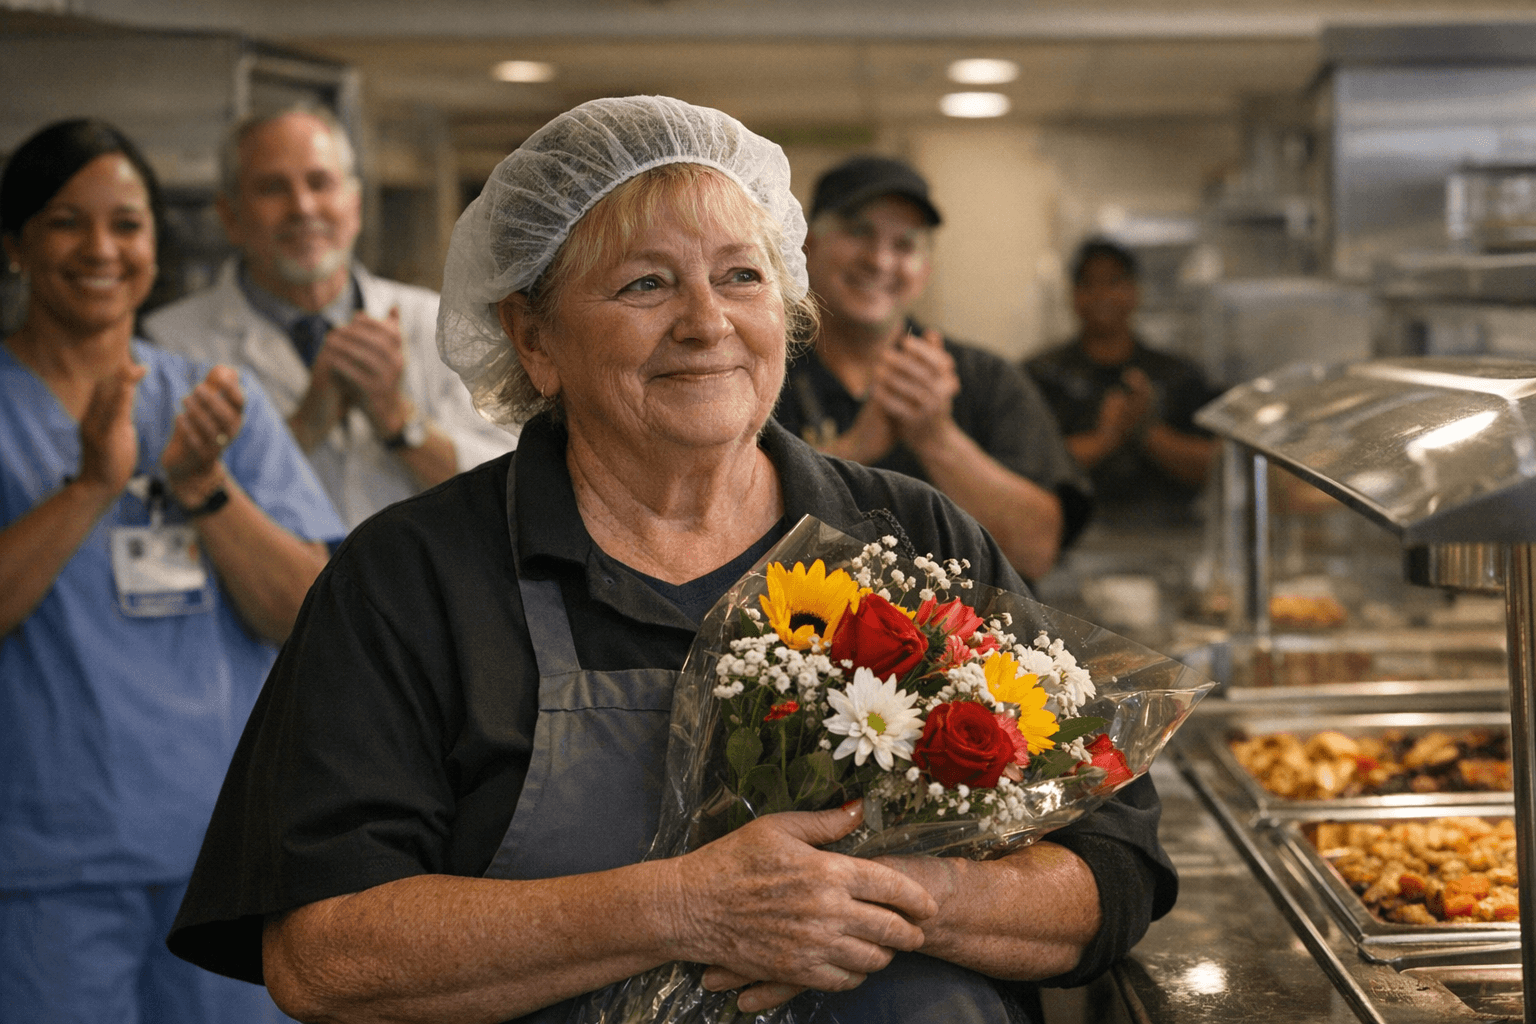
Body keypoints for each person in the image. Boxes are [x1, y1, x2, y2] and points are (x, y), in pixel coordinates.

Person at [169, 96, 1174, 1024]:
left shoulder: (914, 540)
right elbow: (322, 954)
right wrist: (686, 907)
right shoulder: (413, 579)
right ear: (532, 336)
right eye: (645, 282)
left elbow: (1114, 861)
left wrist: (897, 897)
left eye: (742, 275)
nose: (707, 321)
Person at [0, 119, 345, 1023]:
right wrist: (92, 487)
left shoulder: (215, 402)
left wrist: (204, 486)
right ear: (15, 246)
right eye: (68, 222)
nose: (103, 248)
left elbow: (306, 613)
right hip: (45, 861)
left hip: (223, 859)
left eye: (128, 222)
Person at [144, 105, 515, 528]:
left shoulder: (438, 322)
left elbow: (512, 489)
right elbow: (165, 510)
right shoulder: (169, 344)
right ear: (230, 215)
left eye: (320, 183)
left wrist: (399, 422)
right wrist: (303, 427)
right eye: (272, 188)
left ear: (354, 204)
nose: (302, 207)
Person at [773, 156, 1090, 583]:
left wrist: (937, 437)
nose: (880, 261)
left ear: (924, 270)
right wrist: (851, 451)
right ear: (807, 245)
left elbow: (1035, 554)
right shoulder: (760, 375)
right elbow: (717, 535)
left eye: (904, 245)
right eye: (858, 232)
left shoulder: (987, 381)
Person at [1026, 238, 1219, 529]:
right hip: (1068, 540)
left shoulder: (1178, 374)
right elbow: (1023, 467)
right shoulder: (1042, 374)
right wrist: (1105, 439)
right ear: (1074, 295)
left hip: (1171, 539)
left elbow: (1216, 465)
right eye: (1089, 284)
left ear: (1135, 291)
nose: (1102, 295)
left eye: (1114, 282)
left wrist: (1147, 430)